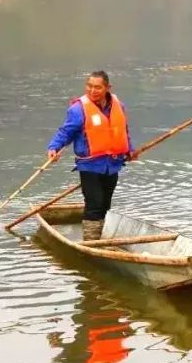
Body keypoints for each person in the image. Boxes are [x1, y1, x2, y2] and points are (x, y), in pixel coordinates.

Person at [47, 71, 137, 242]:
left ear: (107, 88)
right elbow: (66, 132)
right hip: (90, 165)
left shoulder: (118, 105)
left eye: (97, 87)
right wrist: (54, 147)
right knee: (94, 203)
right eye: (89, 86)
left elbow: (122, 131)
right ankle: (91, 242)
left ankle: (100, 236)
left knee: (105, 204)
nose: (92, 91)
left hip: (113, 163)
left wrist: (129, 150)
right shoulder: (78, 109)